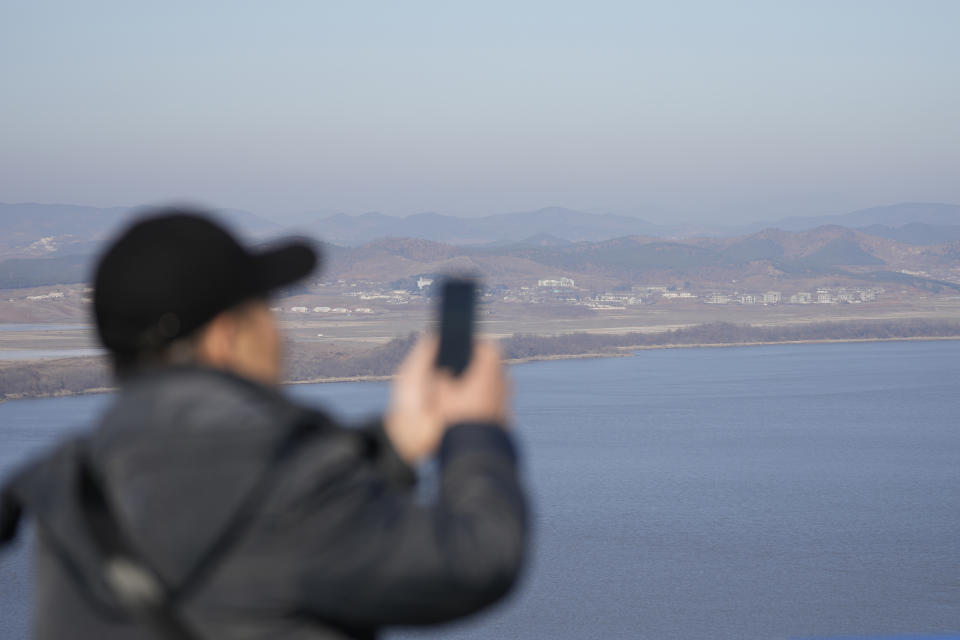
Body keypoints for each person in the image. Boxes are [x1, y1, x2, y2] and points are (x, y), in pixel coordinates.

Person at [0, 208, 527, 639]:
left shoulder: (70, 478)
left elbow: (236, 517)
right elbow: (479, 558)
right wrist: (476, 429)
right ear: (226, 337)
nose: (280, 333)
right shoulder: (286, 493)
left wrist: (398, 440)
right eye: (266, 311)